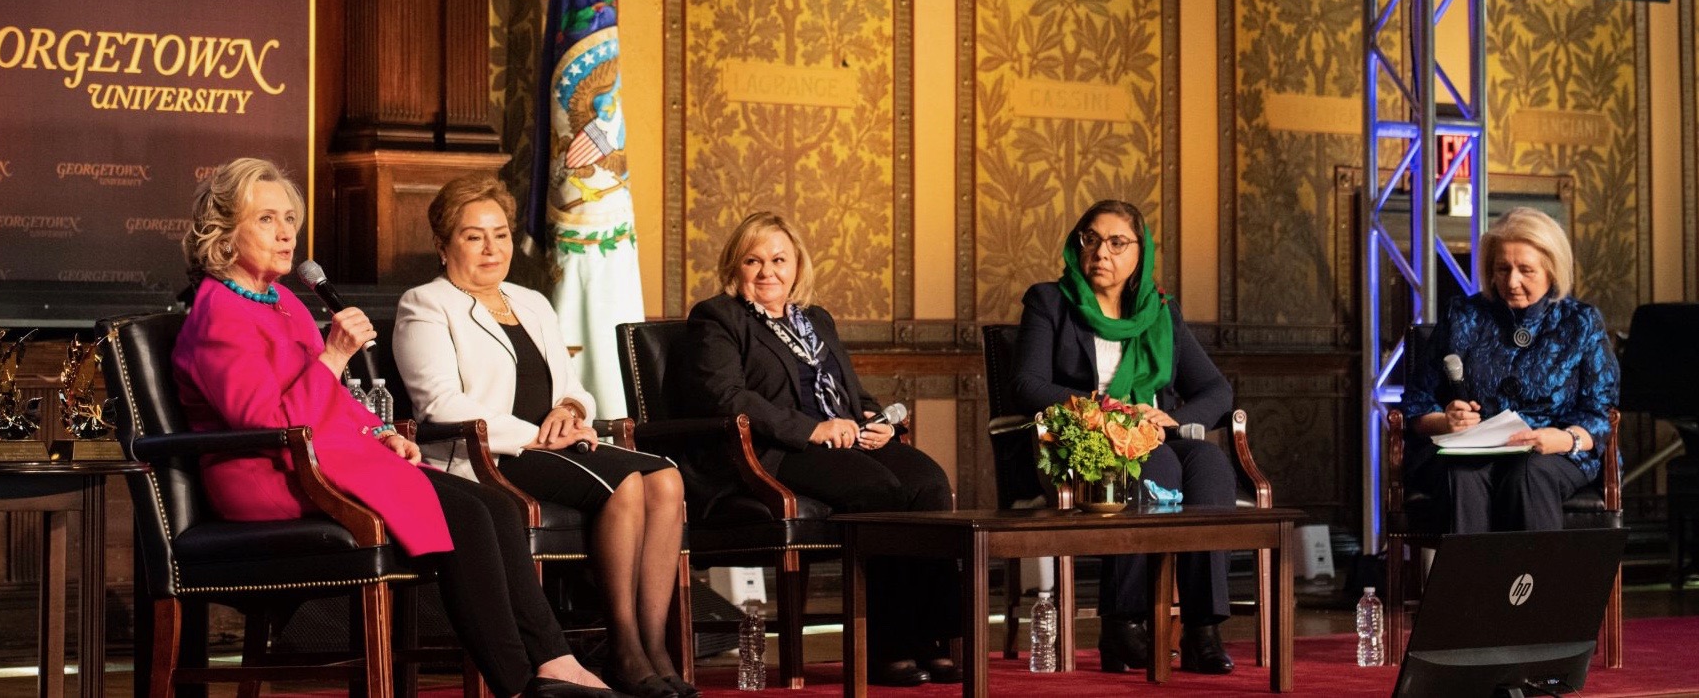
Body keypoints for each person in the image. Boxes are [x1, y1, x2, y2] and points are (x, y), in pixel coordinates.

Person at [171, 157, 623, 698]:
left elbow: (331, 400)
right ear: (223, 233)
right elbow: (265, 420)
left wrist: (379, 433)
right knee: (468, 517)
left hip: (332, 459)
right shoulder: (219, 312)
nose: (287, 232)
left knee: (496, 506)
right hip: (271, 477)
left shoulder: (281, 299)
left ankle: (555, 662)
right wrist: (335, 355)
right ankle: (518, 685)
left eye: (289, 217)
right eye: (267, 220)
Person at [394, 175, 693, 698]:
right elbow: (439, 404)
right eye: (473, 236)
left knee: (665, 478)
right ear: (443, 247)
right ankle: (623, 648)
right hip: (489, 458)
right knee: (624, 486)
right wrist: (536, 434)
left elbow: (574, 387)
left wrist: (571, 408)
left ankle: (654, 650)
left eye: (501, 234)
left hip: (557, 447)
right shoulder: (426, 304)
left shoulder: (531, 301)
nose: (492, 248)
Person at [685, 211, 960, 687]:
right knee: (878, 490)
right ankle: (886, 645)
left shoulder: (815, 320)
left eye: (778, 259)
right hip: (772, 452)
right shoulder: (718, 318)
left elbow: (847, 391)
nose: (767, 271)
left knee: (928, 483)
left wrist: (877, 422)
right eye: (753, 261)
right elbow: (728, 397)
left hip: (844, 439)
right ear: (735, 267)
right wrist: (811, 430)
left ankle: (929, 638)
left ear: (796, 266)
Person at [1010, 199, 1238, 675]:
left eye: (1118, 243)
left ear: (1141, 252)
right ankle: (1123, 623)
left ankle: (1202, 630)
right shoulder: (1049, 301)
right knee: (1155, 466)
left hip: (1153, 433)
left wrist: (1168, 419)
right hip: (1083, 441)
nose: (1101, 252)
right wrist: (1107, 410)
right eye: (1090, 240)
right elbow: (1027, 385)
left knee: (1209, 464)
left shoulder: (1159, 312)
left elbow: (1217, 389)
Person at [1401, 207, 1619, 534]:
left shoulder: (1581, 322)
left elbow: (1600, 413)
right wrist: (1446, 421)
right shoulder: (1462, 315)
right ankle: (1472, 585)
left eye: (1526, 270)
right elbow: (1417, 404)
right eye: (1503, 269)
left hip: (1552, 451)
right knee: (1463, 475)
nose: (1512, 282)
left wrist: (1563, 438)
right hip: (1470, 451)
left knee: (1529, 474)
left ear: (1552, 270)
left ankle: (1539, 585)